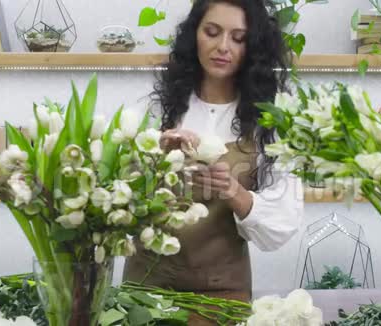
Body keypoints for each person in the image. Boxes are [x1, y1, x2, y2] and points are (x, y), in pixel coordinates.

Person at [123, 0, 303, 310]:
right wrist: (154, 159)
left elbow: (282, 225)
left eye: (238, 38)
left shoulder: (269, 122)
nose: (223, 47)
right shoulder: (157, 109)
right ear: (194, 35)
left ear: (254, 47)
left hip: (222, 297)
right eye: (212, 32)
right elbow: (118, 198)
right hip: (145, 293)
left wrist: (234, 191)